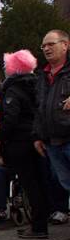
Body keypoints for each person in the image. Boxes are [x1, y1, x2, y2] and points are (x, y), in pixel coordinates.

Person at [0, 50, 50, 239]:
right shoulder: (38, 85)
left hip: (20, 142)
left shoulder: (13, 90)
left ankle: (38, 227)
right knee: (40, 181)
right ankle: (42, 220)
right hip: (37, 138)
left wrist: (2, 136)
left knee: (30, 183)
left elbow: (10, 119)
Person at [34, 30, 70, 192]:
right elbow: (39, 108)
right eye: (43, 46)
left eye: (51, 44)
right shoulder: (42, 76)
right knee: (64, 184)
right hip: (52, 143)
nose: (46, 48)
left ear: (65, 45)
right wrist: (38, 136)